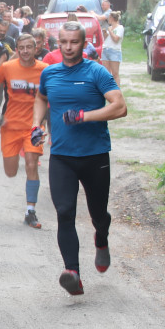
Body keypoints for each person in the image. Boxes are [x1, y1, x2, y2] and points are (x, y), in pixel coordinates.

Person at [32, 21, 127, 296]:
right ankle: (72, 272)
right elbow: (41, 98)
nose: (69, 47)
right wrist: (36, 124)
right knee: (64, 213)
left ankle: (101, 238)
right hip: (62, 156)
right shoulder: (49, 73)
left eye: (74, 42)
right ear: (56, 43)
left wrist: (84, 116)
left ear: (84, 43)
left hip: (94, 154)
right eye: (64, 42)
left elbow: (120, 107)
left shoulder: (96, 72)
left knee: (98, 213)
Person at [0, 33, 47, 228]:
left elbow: (51, 98)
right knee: (11, 171)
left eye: (28, 47)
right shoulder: (7, 68)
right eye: (21, 48)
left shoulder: (45, 71)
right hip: (10, 126)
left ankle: (30, 210)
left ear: (35, 48)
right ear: (17, 49)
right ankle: (29, 207)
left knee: (31, 163)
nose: (24, 51)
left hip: (34, 126)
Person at [100, 10, 123, 86]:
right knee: (106, 73)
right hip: (106, 49)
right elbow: (106, 38)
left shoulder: (120, 28)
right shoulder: (109, 28)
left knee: (115, 74)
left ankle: (117, 90)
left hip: (114, 51)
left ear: (112, 18)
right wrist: (105, 33)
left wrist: (110, 31)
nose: (108, 20)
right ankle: (107, 90)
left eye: (109, 18)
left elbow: (116, 39)